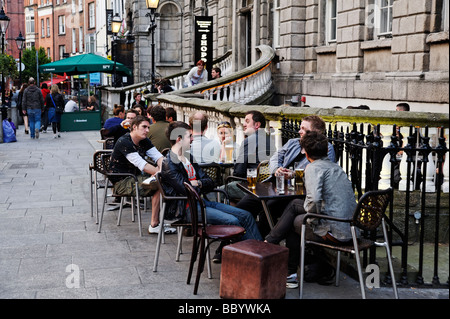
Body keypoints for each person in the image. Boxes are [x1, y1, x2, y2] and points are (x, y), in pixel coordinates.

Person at [266, 131, 357, 289]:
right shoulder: (335, 167)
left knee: (295, 219)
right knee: (295, 212)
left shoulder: (313, 168)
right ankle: (284, 264)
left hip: (336, 230)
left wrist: (312, 220)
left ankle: (271, 247)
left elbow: (314, 199)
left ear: (306, 153)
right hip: (350, 228)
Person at [160, 121, 262, 262]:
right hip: (187, 208)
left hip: (202, 202)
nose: (193, 139)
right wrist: (197, 184)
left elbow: (211, 181)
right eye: (189, 136)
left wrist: (198, 183)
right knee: (233, 221)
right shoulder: (169, 163)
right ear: (179, 139)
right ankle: (250, 260)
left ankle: (262, 256)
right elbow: (187, 190)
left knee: (246, 216)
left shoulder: (188, 157)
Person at [237, 115, 335, 237]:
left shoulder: (326, 149)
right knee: (243, 206)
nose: (299, 131)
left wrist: (293, 175)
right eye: (300, 128)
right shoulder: (292, 142)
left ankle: (261, 246)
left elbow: (320, 171)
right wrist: (276, 169)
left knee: (267, 210)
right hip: (274, 186)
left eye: (304, 129)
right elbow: (274, 158)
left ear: (315, 133)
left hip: (296, 193)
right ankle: (231, 243)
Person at [109, 115, 167, 234]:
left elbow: (159, 157)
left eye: (148, 127)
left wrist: (161, 170)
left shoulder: (144, 140)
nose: (147, 130)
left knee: (163, 182)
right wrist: (162, 173)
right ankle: (155, 224)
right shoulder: (124, 141)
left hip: (135, 177)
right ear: (134, 127)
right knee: (162, 184)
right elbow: (143, 165)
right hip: (122, 182)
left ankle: (158, 222)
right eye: (144, 127)